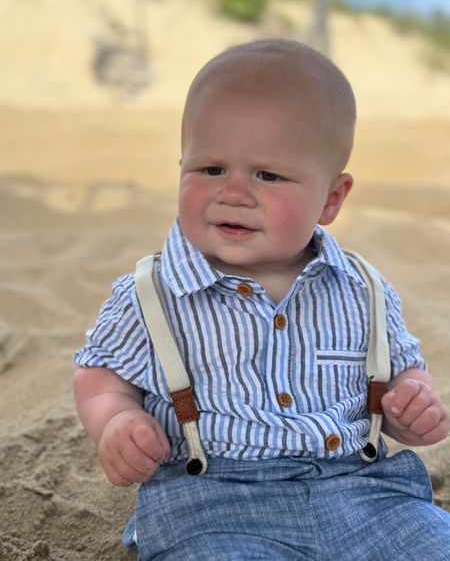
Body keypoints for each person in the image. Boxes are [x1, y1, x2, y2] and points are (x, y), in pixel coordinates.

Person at [73, 39, 450, 560]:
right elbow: (100, 376)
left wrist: (412, 405)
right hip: (211, 503)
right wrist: (115, 420)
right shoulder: (151, 295)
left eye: (268, 175)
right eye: (211, 169)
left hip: (366, 494)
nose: (233, 192)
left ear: (331, 198)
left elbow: (401, 371)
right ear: (181, 165)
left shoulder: (361, 287)